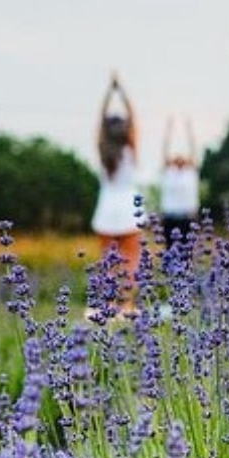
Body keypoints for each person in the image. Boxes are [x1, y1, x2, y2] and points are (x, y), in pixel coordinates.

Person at [90, 73, 141, 318]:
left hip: (107, 208)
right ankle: (127, 305)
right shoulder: (130, 149)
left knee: (107, 261)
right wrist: (122, 91)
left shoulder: (103, 151)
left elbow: (100, 123)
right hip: (130, 207)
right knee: (131, 260)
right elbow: (135, 119)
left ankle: (108, 305)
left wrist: (108, 93)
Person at [159, 115, 200, 253]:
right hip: (170, 217)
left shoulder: (191, 172)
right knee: (170, 252)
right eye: (177, 157)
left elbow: (194, 149)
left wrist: (189, 129)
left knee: (187, 253)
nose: (179, 158)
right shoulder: (168, 172)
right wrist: (168, 130)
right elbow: (164, 150)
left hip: (188, 217)